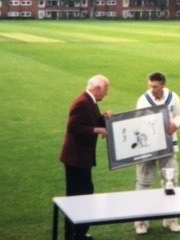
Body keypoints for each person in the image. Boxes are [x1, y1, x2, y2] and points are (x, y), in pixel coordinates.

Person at [60, 74, 111, 240]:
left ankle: (78, 233)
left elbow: (93, 120)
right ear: (96, 89)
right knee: (77, 197)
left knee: (84, 194)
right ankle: (73, 235)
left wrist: (104, 117)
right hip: (76, 159)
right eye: (105, 90)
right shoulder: (82, 102)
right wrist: (97, 130)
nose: (106, 94)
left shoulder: (90, 101)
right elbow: (73, 127)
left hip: (81, 158)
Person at [134, 72, 180, 235]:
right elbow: (137, 122)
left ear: (163, 84)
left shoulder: (173, 97)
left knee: (170, 181)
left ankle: (170, 220)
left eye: (155, 86)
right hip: (147, 147)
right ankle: (141, 222)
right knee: (143, 181)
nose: (151, 89)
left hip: (168, 146)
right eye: (149, 86)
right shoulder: (143, 99)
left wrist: (175, 124)